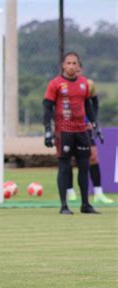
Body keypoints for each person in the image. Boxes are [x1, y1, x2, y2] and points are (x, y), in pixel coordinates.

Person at [43, 52, 103, 215]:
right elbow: (47, 107)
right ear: (63, 65)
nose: (71, 66)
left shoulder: (84, 83)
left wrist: (95, 124)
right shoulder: (55, 84)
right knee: (64, 167)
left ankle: (85, 204)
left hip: (81, 131)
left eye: (74, 63)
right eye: (68, 63)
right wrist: (48, 130)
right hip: (64, 131)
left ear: (78, 66)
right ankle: (64, 205)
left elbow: (88, 106)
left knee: (84, 167)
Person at [66, 62, 113, 204]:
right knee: (68, 160)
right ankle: (70, 191)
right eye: (72, 67)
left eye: (78, 69)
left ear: (81, 70)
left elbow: (93, 109)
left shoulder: (88, 87)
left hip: (84, 129)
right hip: (68, 128)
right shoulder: (62, 87)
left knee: (93, 157)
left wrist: (92, 124)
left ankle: (98, 193)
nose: (75, 70)